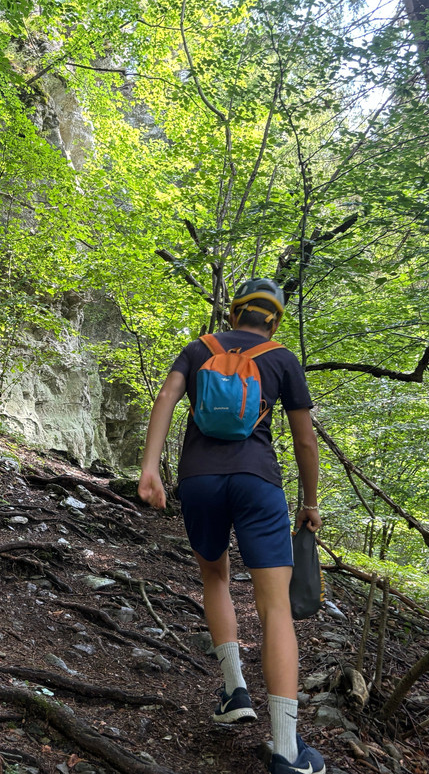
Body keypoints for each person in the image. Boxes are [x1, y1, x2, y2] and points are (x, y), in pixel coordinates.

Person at [138, 278, 325, 774]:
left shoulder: (199, 348)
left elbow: (166, 399)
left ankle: (234, 691)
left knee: (215, 577)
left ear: (235, 310)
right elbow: (305, 442)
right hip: (258, 481)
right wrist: (310, 502)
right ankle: (286, 749)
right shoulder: (282, 358)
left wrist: (150, 468)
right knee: (275, 606)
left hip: (199, 480)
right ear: (274, 318)